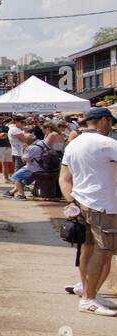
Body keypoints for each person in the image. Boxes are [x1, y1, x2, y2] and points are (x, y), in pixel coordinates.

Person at [59, 107, 117, 316]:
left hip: (81, 203)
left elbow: (64, 178)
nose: (111, 127)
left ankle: (87, 289)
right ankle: (89, 298)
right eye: (110, 122)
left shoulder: (73, 145)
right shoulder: (108, 144)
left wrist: (70, 202)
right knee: (104, 253)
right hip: (104, 205)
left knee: (88, 248)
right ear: (103, 121)